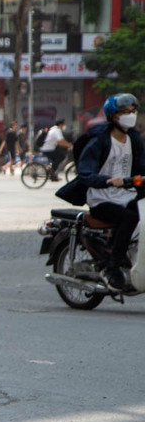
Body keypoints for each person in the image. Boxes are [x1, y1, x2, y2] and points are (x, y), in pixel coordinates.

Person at [67, 94, 145, 291]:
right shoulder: (98, 141)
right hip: (101, 199)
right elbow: (85, 173)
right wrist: (108, 180)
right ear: (113, 116)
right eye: (125, 112)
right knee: (129, 218)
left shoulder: (133, 139)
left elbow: (141, 166)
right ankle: (112, 266)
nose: (131, 115)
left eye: (133, 111)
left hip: (126, 195)